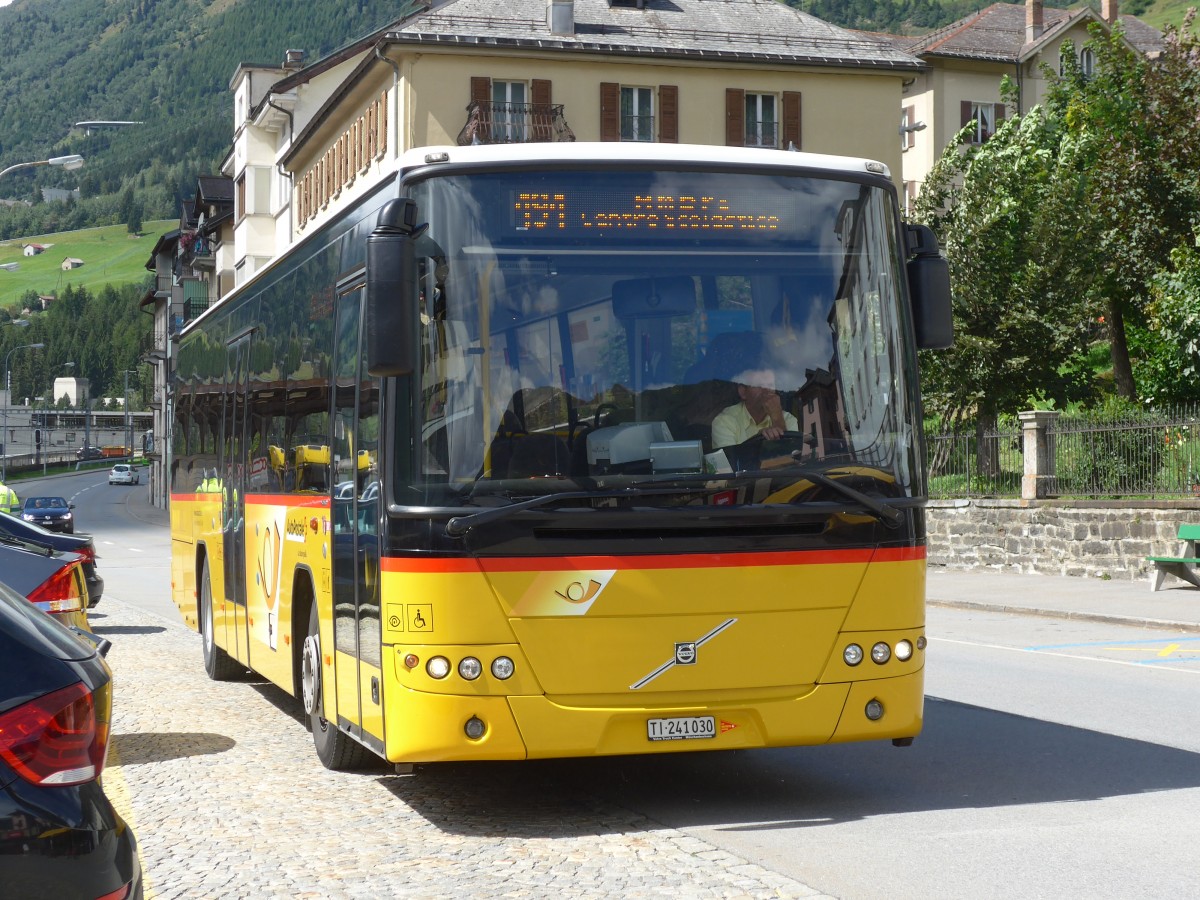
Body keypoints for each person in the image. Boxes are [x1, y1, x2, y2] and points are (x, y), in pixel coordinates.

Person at [711, 367, 798, 449]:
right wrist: (757, 441)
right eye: (759, 385)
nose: (767, 391)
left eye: (770, 385)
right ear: (743, 392)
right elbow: (730, 459)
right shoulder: (724, 421)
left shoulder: (788, 419)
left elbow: (792, 455)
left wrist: (777, 418)